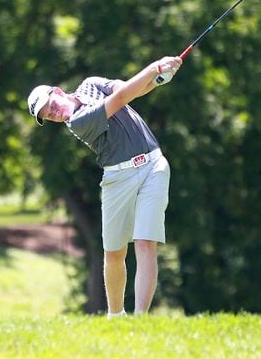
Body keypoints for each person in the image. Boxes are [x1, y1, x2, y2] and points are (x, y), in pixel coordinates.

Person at [27, 56, 182, 317]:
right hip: (117, 179)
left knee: (146, 243)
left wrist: (156, 80)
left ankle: (141, 318)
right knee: (113, 253)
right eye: (47, 115)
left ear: (58, 92)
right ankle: (115, 315)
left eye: (50, 105)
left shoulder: (91, 83)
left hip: (153, 166)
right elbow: (120, 99)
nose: (52, 113)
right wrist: (154, 68)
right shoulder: (77, 123)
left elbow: (128, 90)